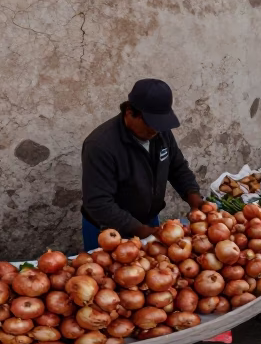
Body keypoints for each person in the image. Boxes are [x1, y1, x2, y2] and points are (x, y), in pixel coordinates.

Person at [80, 79, 203, 251]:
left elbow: (177, 167)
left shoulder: (160, 132)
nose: (155, 131)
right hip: (109, 231)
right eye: (150, 124)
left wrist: (194, 197)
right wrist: (140, 230)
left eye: (160, 125)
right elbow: (98, 203)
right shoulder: (100, 145)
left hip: (148, 221)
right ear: (130, 112)